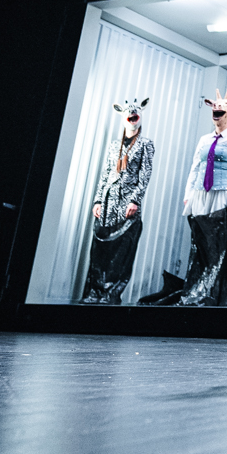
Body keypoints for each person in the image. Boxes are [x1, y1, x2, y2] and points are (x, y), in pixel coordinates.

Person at [179, 91, 227, 306]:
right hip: (201, 193)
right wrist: (189, 194)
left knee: (218, 242)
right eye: (215, 106)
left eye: (222, 106)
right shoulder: (204, 139)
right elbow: (195, 167)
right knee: (201, 241)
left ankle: (216, 292)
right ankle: (198, 289)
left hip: (221, 193)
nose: (217, 109)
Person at [83, 98, 154, 303]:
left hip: (127, 205)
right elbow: (106, 173)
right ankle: (95, 291)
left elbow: (145, 175)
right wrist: (98, 201)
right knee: (101, 250)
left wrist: (135, 201)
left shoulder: (146, 144)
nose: (132, 115)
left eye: (135, 112)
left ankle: (112, 293)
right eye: (128, 113)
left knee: (122, 250)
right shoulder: (115, 145)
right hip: (108, 204)